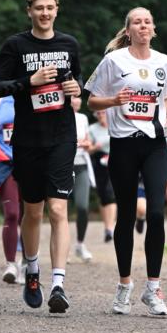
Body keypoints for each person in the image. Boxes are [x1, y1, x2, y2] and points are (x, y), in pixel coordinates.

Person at [0, 0, 82, 313]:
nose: (45, 13)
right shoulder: (15, 46)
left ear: (56, 10)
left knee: (58, 209)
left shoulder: (69, 44)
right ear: (29, 11)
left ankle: (58, 283)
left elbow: (77, 82)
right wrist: (28, 82)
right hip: (28, 139)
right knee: (33, 211)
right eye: (39, 8)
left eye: (50, 8)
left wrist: (76, 87)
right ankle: (32, 271)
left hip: (62, 136)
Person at [85, 6, 167, 316]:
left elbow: (165, 100)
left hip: (155, 145)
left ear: (153, 29)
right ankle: (124, 284)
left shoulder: (164, 62)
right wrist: (114, 100)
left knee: (155, 211)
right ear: (128, 30)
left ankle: (153, 289)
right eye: (137, 22)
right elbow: (91, 100)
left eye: (148, 22)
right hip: (123, 146)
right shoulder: (114, 61)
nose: (143, 26)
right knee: (125, 215)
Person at [0, 94, 24, 283]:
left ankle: (27, 263)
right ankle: (10, 263)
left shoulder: (32, 94)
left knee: (28, 215)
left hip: (29, 162)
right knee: (11, 213)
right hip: (5, 162)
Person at [71, 93, 94, 262]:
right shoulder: (57, 116)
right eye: (72, 96)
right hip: (62, 166)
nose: (77, 100)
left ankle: (80, 244)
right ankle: (61, 248)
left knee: (82, 207)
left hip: (81, 164)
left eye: (78, 96)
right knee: (59, 210)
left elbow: (88, 143)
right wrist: (77, 142)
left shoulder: (83, 118)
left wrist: (80, 143)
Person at [88, 108, 116, 242]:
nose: (100, 115)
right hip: (99, 162)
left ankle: (110, 228)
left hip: (115, 160)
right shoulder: (92, 128)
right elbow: (88, 149)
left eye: (103, 112)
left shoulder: (116, 125)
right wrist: (95, 147)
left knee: (111, 194)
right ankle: (107, 227)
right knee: (103, 195)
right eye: (98, 113)